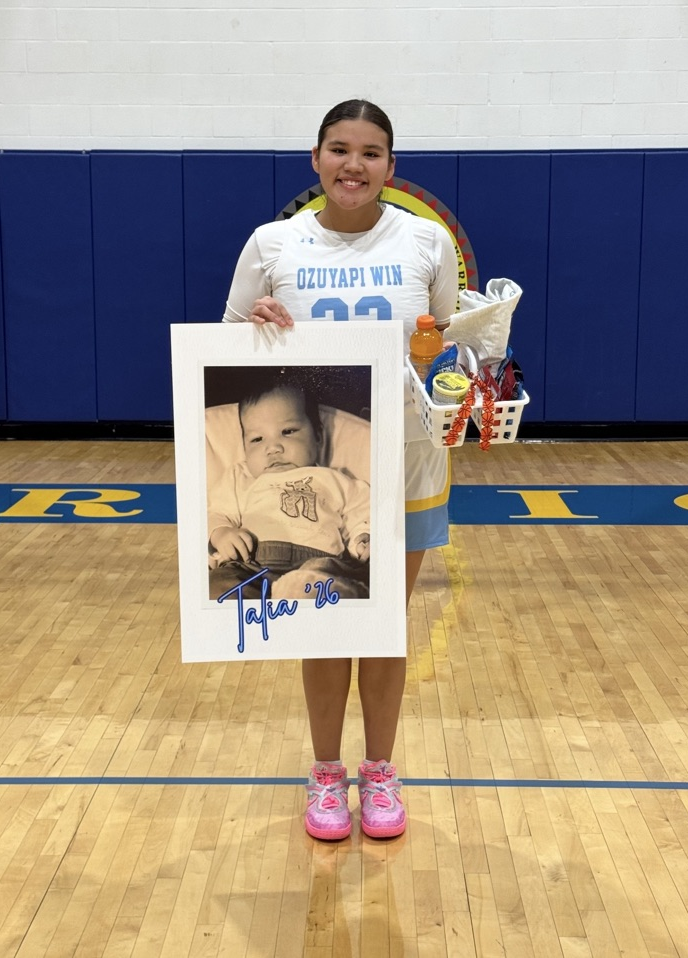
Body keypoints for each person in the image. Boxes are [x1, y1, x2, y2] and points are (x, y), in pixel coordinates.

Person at [222, 99, 459, 840]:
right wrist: (257, 327)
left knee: (385, 624)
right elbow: (228, 341)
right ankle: (327, 776)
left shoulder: (426, 241)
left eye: (371, 152)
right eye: (340, 149)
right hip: (312, 481)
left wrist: (439, 359)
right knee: (324, 622)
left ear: (392, 166)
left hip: (410, 465)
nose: (354, 164)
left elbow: (447, 343)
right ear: (316, 159)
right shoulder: (273, 243)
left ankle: (380, 774)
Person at [208, 372, 370, 602]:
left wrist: (363, 535)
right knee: (220, 585)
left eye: (288, 432)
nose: (273, 448)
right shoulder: (241, 476)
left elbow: (362, 509)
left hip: (318, 562)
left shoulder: (335, 479)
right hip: (251, 565)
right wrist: (221, 532)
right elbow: (216, 513)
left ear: (318, 435)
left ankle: (314, 595)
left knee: (322, 576)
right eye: (257, 440)